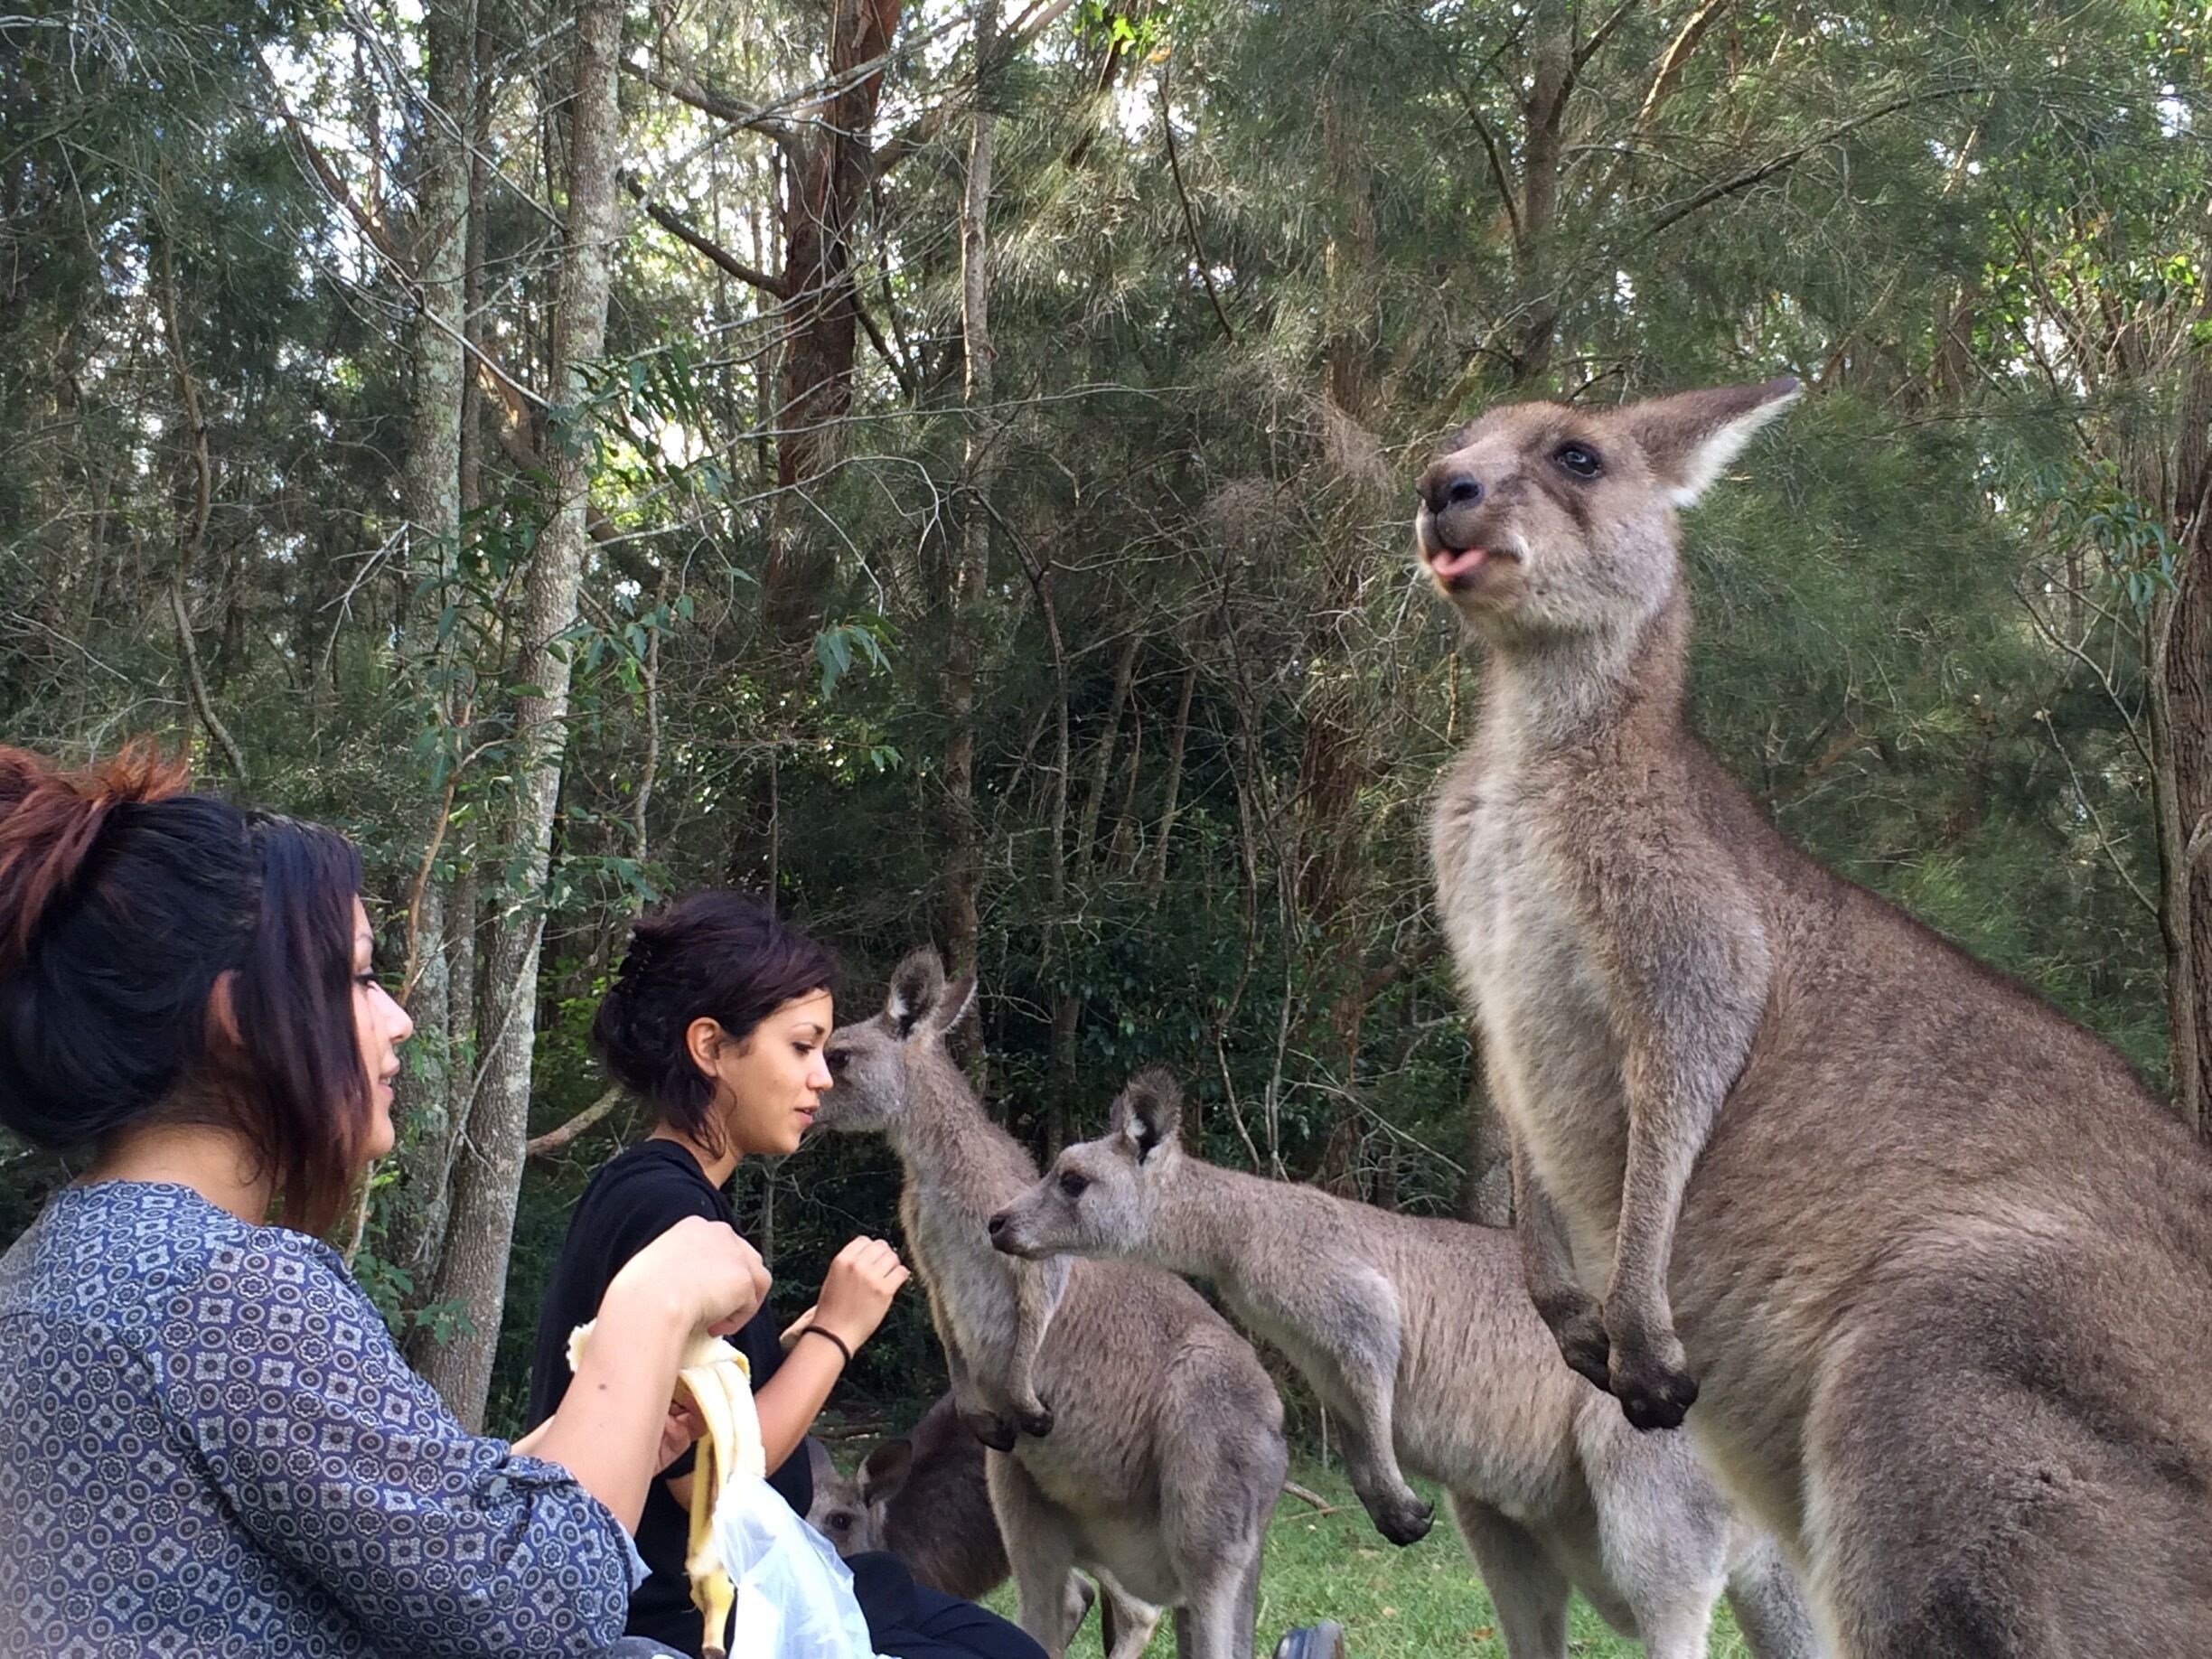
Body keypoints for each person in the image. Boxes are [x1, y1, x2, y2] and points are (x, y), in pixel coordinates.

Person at [0, 744, 767, 1659]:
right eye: (361, 977)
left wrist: (614, 1423)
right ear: (240, 1017)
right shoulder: (229, 1290)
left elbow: (413, 1541)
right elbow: (545, 1617)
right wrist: (653, 1303)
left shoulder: (57, 1263)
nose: (398, 1018)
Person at [526, 891, 1045, 1659]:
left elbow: (708, 1393)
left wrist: (790, 1341)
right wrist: (837, 1331)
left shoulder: (656, 1188)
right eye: (803, 1048)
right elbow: (704, 1474)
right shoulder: (666, 1209)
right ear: (710, 1048)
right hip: (694, 1614)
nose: (823, 1080)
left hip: (776, 1582)